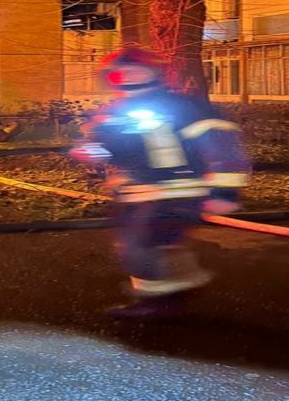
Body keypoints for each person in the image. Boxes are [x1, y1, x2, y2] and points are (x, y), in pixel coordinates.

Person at [70, 47, 250, 320]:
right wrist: (91, 151)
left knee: (141, 243)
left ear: (155, 73)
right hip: (136, 192)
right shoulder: (113, 112)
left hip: (180, 189)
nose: (129, 76)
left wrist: (225, 192)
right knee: (143, 244)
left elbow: (221, 145)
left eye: (137, 70)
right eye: (123, 72)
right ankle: (176, 287)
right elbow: (110, 149)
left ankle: (160, 302)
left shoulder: (183, 107)